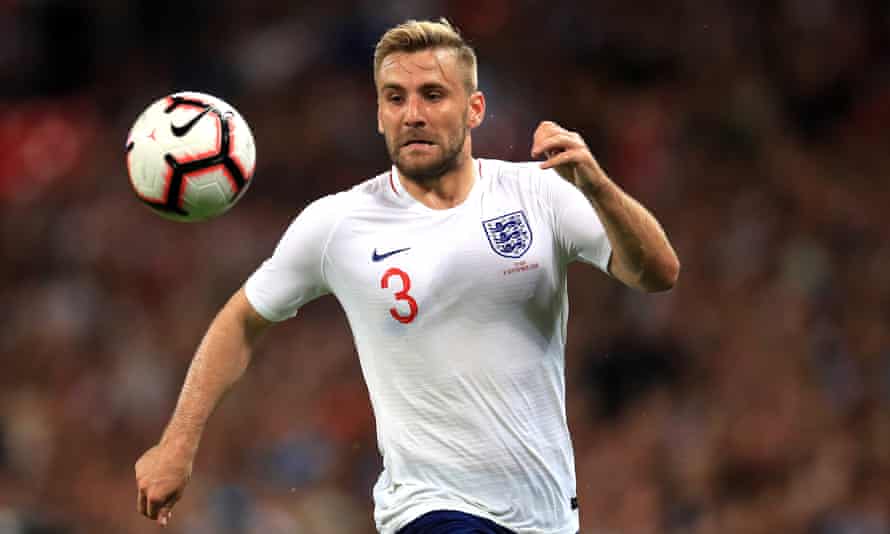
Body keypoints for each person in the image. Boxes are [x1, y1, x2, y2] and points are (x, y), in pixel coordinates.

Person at [135, 17, 680, 534]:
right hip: (429, 509)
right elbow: (242, 319)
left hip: (546, 512)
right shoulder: (338, 224)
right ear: (378, 113)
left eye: (433, 95)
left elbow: (658, 273)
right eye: (395, 98)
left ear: (474, 109)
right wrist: (178, 443)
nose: (412, 113)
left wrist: (599, 186)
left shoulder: (538, 192)